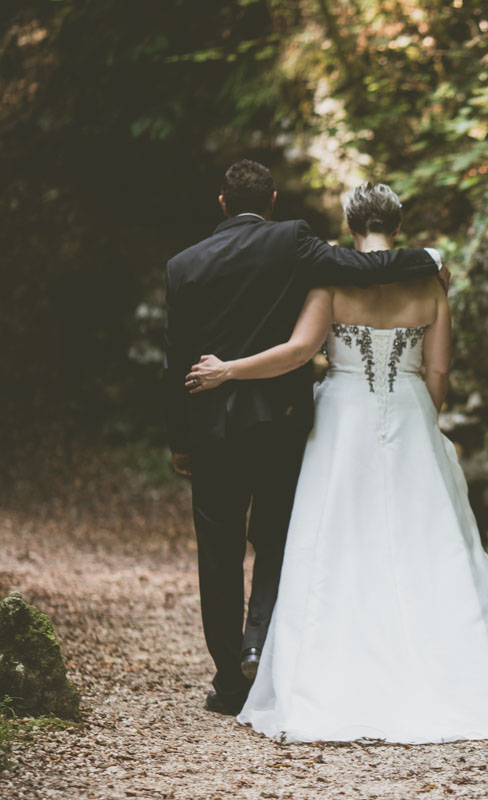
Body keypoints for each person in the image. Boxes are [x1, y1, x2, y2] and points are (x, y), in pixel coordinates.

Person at [184, 182, 488, 744]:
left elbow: (300, 352)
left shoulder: (329, 281)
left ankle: (332, 669)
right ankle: (456, 670)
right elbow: (440, 371)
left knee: (337, 537)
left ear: (350, 224)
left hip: (341, 417)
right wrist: (422, 416)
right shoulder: (430, 284)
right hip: (408, 409)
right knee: (429, 539)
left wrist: (229, 369)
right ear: (397, 225)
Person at [165, 161, 448, 716]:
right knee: (274, 539)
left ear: (222, 203)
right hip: (280, 420)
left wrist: (181, 438)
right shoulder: (293, 240)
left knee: (217, 554)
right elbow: (364, 268)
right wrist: (432, 259)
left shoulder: (181, 266)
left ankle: (229, 683)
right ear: (271, 199)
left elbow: (176, 357)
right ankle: (258, 644)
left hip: (214, 427)